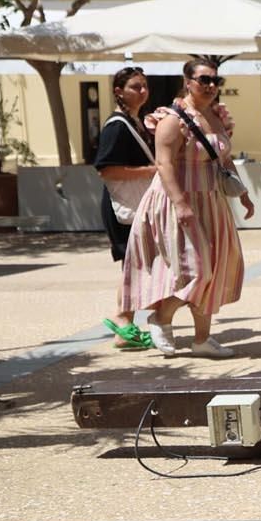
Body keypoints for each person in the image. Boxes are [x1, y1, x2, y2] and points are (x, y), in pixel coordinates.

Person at [121, 58, 254, 357]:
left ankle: (201, 339)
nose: (210, 86)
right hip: (177, 200)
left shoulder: (217, 115)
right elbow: (164, 163)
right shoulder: (173, 118)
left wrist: (243, 192)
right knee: (197, 270)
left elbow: (222, 158)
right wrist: (180, 204)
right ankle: (161, 317)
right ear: (188, 82)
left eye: (214, 81)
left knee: (215, 268)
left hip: (211, 200)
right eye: (203, 80)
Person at [94, 65, 157, 350]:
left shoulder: (136, 121)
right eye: (135, 86)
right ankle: (122, 323)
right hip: (122, 208)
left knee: (134, 267)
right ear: (119, 91)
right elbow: (106, 170)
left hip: (134, 205)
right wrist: (150, 170)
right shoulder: (117, 126)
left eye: (144, 85)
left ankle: (125, 325)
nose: (142, 91)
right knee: (131, 267)